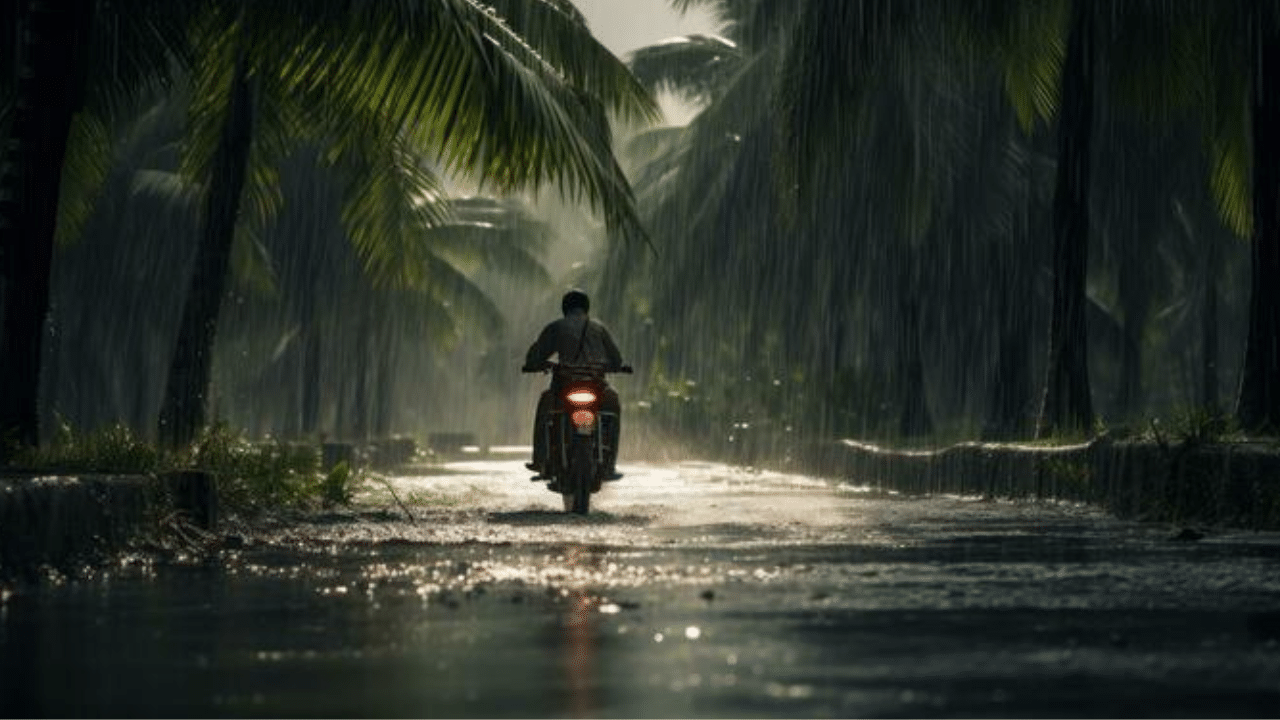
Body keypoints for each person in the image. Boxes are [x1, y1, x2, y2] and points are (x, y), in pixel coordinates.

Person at [523, 289, 626, 481]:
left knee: (545, 405)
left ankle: (541, 459)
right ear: (587, 308)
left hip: (564, 387)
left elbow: (535, 355)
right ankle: (610, 462)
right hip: (597, 387)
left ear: (564, 308)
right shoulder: (599, 328)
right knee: (614, 406)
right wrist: (616, 367)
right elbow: (617, 359)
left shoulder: (557, 327)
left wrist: (534, 365)